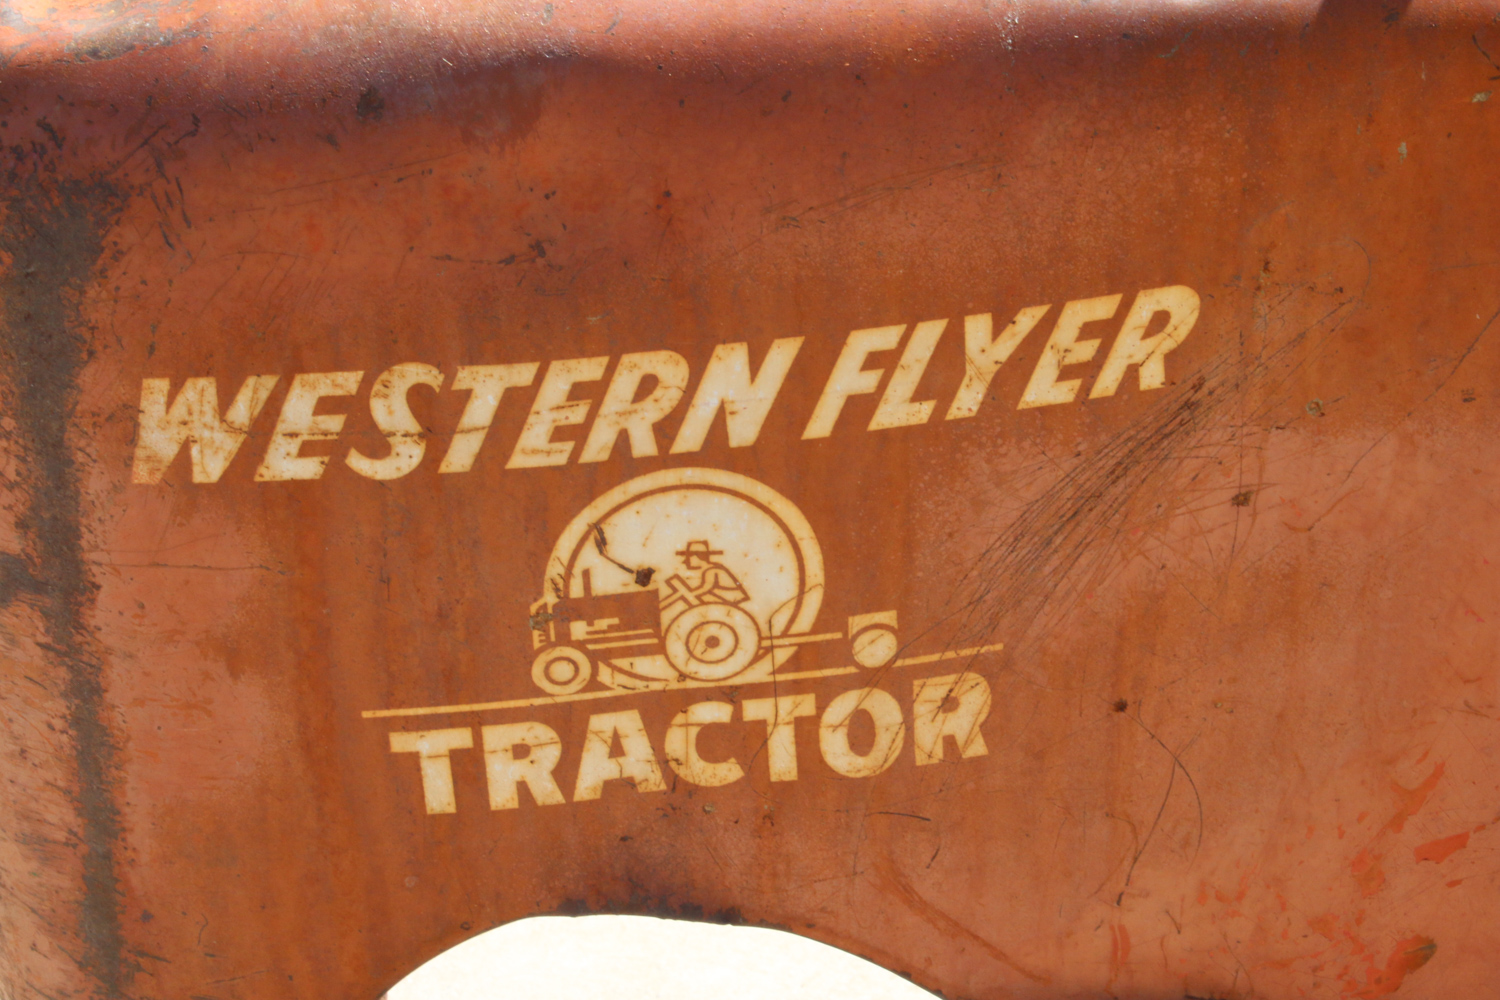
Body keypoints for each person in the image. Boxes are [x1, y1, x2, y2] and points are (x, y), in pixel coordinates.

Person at [659, 540, 749, 620]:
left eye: (689, 558)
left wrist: (685, 594)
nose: (688, 562)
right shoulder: (710, 569)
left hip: (732, 600)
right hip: (727, 601)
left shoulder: (712, 570)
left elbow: (705, 589)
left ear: (697, 556)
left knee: (698, 597)